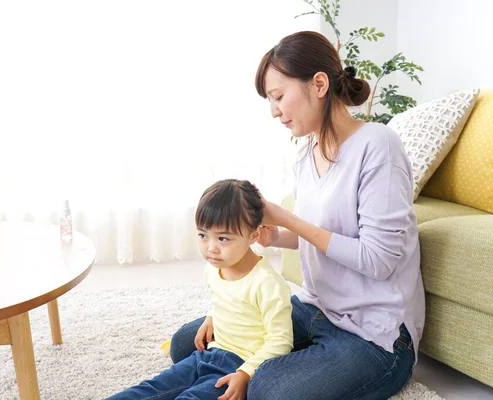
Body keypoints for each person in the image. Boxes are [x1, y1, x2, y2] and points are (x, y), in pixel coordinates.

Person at [169, 31, 425, 399]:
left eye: (278, 97)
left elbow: (378, 260)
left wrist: (287, 220)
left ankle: (304, 366)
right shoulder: (307, 154)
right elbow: (324, 234)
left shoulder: (378, 145)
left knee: (269, 388)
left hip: (374, 334)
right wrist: (275, 236)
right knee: (188, 344)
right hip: (317, 308)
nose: (274, 111)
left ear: (318, 84)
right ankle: (302, 360)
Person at [107, 179, 293, 400]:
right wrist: (212, 316)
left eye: (223, 238)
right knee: (147, 390)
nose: (211, 248)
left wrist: (246, 374)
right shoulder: (213, 269)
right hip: (207, 356)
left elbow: (281, 341)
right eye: (203, 235)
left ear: (254, 234)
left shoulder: (268, 283)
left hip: (236, 368)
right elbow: (230, 301)